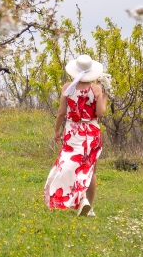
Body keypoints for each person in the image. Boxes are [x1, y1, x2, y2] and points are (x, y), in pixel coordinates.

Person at [44, 54, 108, 216]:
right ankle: (89, 206)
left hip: (73, 132)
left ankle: (80, 199)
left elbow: (61, 113)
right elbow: (100, 113)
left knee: (72, 165)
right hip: (91, 132)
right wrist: (105, 97)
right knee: (90, 169)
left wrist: (57, 131)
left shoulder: (68, 87)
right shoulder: (96, 89)